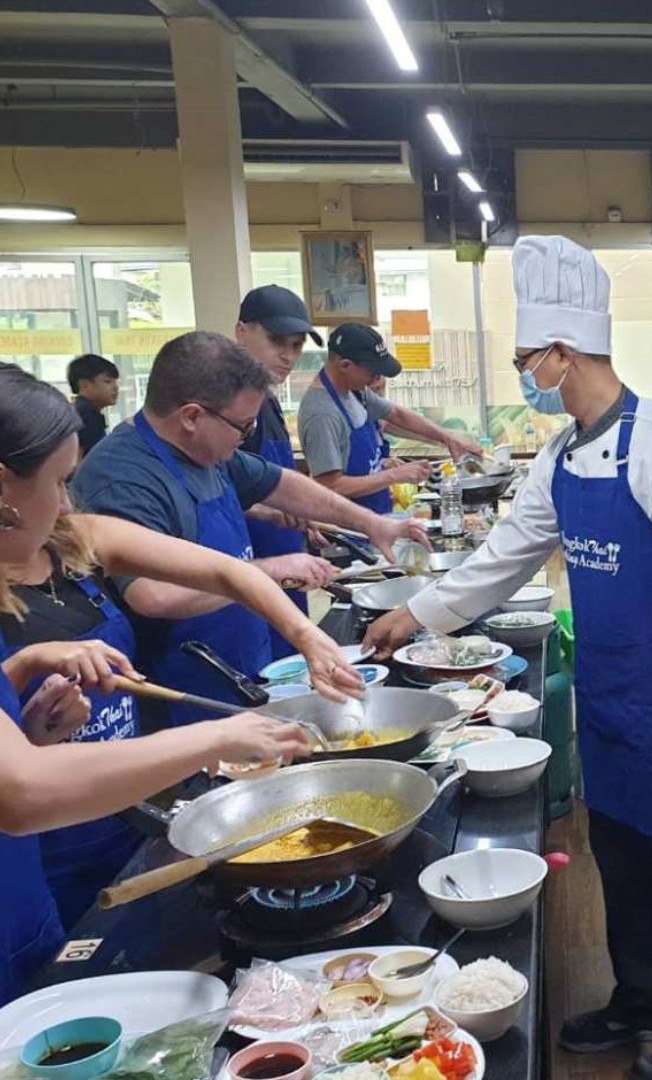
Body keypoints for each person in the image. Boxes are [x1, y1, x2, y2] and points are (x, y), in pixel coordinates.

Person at [364, 236, 652, 1080]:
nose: (522, 375)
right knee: (621, 857)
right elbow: (505, 553)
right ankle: (643, 998)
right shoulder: (560, 455)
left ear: (562, 353)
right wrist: (415, 614)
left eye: (523, 360)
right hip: (609, 698)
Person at [0, 363, 312, 1002]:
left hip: (66, 859)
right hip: (45, 852)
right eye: (59, 482)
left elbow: (227, 572)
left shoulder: (70, 543)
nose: (67, 501)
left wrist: (26, 688)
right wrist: (222, 735)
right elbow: (22, 794)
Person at [74, 332, 414, 725]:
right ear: (191, 416)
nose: (246, 437)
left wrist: (371, 525)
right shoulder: (122, 478)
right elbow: (153, 595)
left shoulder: (205, 451)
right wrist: (269, 570)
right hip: (185, 690)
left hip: (242, 663)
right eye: (243, 426)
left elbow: (281, 483)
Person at [299, 324, 482, 515]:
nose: (377, 379)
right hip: (348, 530)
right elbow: (331, 486)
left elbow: (395, 414)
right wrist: (394, 475)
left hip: (375, 518)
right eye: (372, 372)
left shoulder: (353, 391)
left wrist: (449, 438)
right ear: (345, 365)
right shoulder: (322, 414)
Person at [235, 284, 324, 659]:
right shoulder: (228, 411)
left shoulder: (266, 402)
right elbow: (210, 499)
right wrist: (266, 511)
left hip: (286, 564)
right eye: (276, 342)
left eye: (297, 345)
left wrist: (304, 512)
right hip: (250, 574)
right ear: (242, 332)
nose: (288, 357)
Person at [67, 354, 120, 457]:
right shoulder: (86, 414)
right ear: (84, 385)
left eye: (116, 382)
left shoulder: (82, 410)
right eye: (107, 381)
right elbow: (78, 459)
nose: (115, 387)